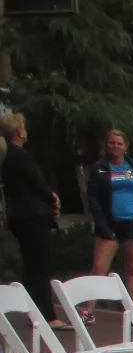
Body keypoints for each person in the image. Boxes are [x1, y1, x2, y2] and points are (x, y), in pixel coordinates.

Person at [84, 130, 133, 318]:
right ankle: (88, 311)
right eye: (112, 143)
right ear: (106, 145)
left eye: (119, 143)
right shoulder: (100, 169)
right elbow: (93, 200)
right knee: (99, 267)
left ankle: (132, 312)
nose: (115, 146)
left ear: (126, 146)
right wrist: (103, 226)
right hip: (109, 224)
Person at [0, 112, 66, 328]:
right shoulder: (20, 155)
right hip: (32, 216)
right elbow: (37, 183)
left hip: (20, 216)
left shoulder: (7, 156)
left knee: (32, 265)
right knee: (40, 265)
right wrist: (52, 198)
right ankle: (47, 315)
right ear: (19, 130)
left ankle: (34, 311)